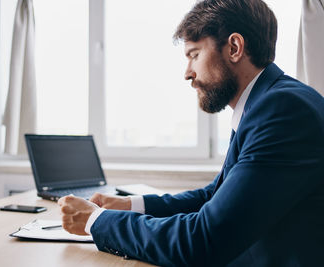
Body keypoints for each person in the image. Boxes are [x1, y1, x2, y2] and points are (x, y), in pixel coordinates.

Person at [58, 0, 324, 266]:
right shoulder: (267, 103)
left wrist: (96, 221)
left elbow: (203, 240)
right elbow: (213, 196)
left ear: (234, 48)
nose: (188, 73)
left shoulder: (282, 111)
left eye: (194, 55)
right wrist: (129, 205)